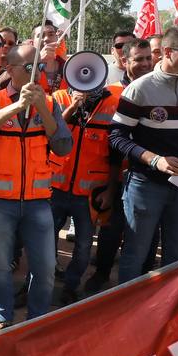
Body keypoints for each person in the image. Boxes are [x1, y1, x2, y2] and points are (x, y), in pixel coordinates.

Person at [0, 42, 74, 327]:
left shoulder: (51, 103)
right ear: (10, 68)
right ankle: (3, 317)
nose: (37, 72)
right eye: (30, 67)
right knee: (1, 265)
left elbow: (63, 146)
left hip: (37, 200)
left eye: (40, 66)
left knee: (45, 268)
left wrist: (41, 108)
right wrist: (19, 106)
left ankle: (36, 320)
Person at [109, 25, 178, 284]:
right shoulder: (140, 88)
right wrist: (154, 160)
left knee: (177, 257)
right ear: (168, 52)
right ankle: (129, 306)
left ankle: (167, 307)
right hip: (146, 185)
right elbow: (116, 137)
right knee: (135, 255)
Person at [87, 38, 157, 292]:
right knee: (111, 229)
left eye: (149, 58)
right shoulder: (108, 94)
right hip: (114, 176)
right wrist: (108, 185)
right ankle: (102, 274)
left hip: (150, 176)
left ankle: (143, 284)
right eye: (139, 59)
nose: (145, 63)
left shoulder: (161, 91)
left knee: (148, 234)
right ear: (125, 61)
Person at [49, 70, 123, 305]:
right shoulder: (59, 98)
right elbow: (51, 133)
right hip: (56, 186)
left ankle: (70, 287)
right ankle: (38, 283)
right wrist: (73, 106)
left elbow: (116, 153)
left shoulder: (113, 103)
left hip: (89, 192)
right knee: (45, 240)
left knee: (83, 246)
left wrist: (110, 190)